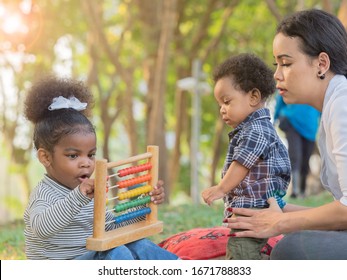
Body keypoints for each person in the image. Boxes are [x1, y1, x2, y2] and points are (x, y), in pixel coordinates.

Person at [225, 9, 347, 260]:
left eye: (286, 63)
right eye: (276, 64)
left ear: (321, 64)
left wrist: (280, 223)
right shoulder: (334, 103)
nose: (277, 75)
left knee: (290, 250)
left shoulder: (342, 105)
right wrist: (276, 211)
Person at [23, 75, 178, 260]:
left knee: (137, 244)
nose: (86, 163)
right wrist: (78, 197)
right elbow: (42, 228)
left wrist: (145, 205)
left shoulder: (89, 195)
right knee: (117, 252)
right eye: (73, 156)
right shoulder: (44, 195)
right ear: (46, 157)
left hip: (91, 259)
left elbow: (111, 228)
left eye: (90, 155)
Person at [201, 53, 291, 260]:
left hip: (254, 207)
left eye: (227, 101)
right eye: (219, 105)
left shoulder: (256, 130)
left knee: (240, 252)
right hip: (257, 203)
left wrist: (220, 188)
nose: (222, 109)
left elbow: (241, 164)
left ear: (253, 97)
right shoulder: (252, 128)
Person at [274, 94, 321, 198]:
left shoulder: (318, 83)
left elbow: (322, 107)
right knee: (295, 156)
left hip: (311, 127)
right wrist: (275, 119)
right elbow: (281, 97)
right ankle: (295, 191)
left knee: (305, 159)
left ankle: (303, 191)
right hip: (292, 121)